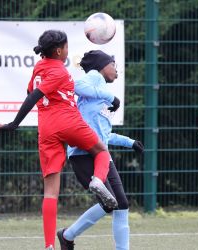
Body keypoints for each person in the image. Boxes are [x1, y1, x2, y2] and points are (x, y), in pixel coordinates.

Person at [0, 31, 121, 250]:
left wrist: (14, 122)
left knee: (50, 192)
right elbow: (34, 95)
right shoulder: (59, 70)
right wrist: (14, 123)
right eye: (67, 47)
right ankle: (98, 180)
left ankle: (49, 245)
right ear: (59, 50)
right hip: (67, 121)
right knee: (101, 151)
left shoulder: (38, 69)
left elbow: (31, 90)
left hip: (47, 129)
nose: (68, 51)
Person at [56, 50, 144, 250]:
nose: (116, 69)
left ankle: (70, 236)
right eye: (113, 64)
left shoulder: (101, 95)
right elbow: (76, 86)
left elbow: (104, 135)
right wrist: (111, 97)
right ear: (102, 66)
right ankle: (67, 236)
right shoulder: (94, 79)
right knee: (108, 204)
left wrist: (130, 142)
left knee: (121, 204)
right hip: (83, 154)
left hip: (102, 154)